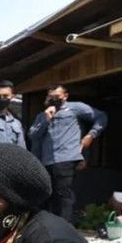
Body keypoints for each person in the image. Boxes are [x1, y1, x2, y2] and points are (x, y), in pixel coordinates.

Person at [29, 84, 108, 223]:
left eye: (57, 97)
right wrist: (46, 120)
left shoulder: (75, 108)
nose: (54, 100)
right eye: (51, 97)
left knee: (63, 194)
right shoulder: (43, 115)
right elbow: (33, 135)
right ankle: (50, 227)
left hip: (66, 158)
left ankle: (66, 227)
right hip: (46, 161)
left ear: (65, 96)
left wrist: (91, 135)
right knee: (47, 196)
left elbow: (101, 117)